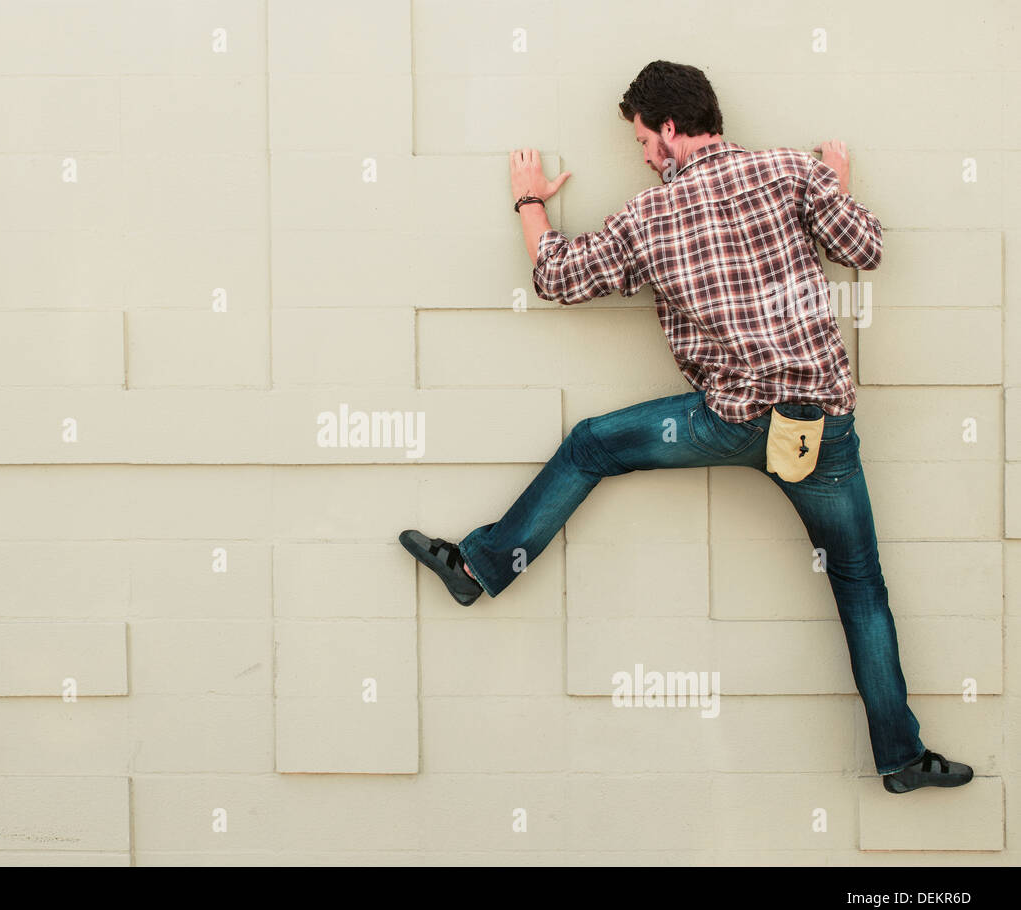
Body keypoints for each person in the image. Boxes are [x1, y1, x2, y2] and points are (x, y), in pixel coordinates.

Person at [400, 60, 973, 795]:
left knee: (591, 445)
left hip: (726, 421)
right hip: (820, 428)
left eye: (642, 139)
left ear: (671, 129)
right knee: (861, 588)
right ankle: (900, 759)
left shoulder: (650, 217)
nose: (641, 154)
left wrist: (528, 201)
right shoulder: (793, 172)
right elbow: (866, 249)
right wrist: (832, 181)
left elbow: (559, 278)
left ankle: (479, 568)